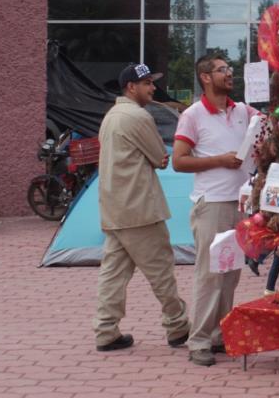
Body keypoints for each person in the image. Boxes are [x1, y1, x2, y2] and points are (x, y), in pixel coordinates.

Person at [92, 63, 190, 353]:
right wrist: (155, 157)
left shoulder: (111, 116)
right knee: (161, 271)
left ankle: (105, 330)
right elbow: (161, 157)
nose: (152, 88)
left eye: (151, 82)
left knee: (113, 274)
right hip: (140, 208)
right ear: (130, 87)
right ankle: (178, 326)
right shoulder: (138, 116)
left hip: (114, 207)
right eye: (146, 83)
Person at [173, 55, 259, 367]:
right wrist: (220, 160)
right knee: (210, 275)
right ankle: (198, 342)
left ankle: (220, 336)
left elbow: (266, 134)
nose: (229, 73)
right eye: (222, 70)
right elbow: (179, 161)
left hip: (241, 205)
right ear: (205, 77)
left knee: (230, 274)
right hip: (212, 204)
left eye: (230, 69)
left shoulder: (243, 112)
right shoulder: (193, 115)